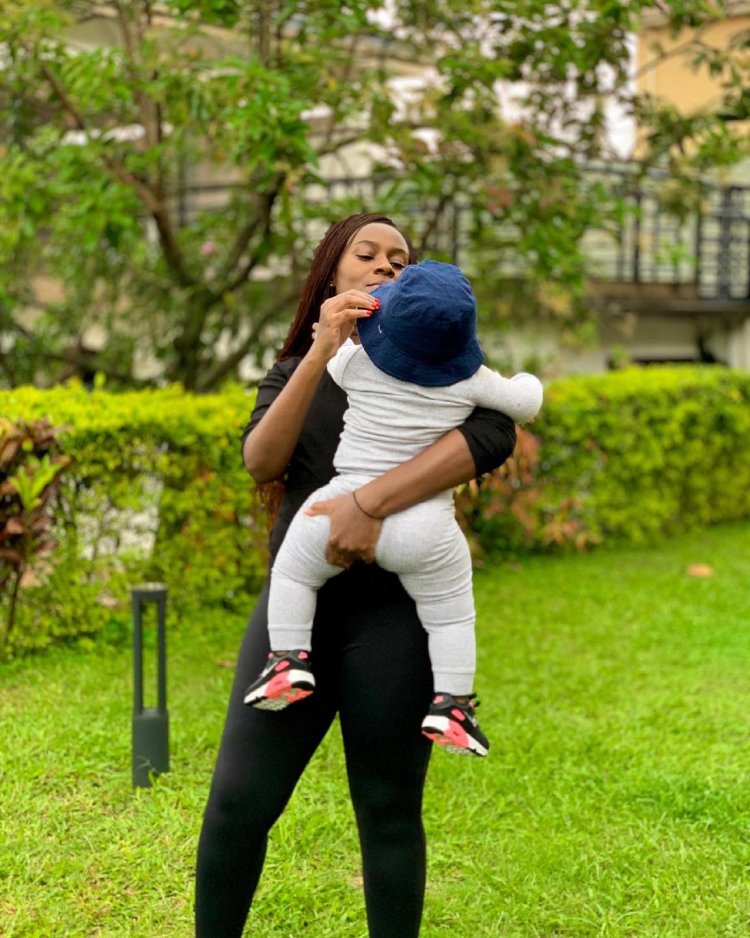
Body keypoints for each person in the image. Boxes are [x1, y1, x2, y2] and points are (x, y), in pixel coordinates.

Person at [195, 213, 518, 938]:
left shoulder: (439, 367)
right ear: (331, 276)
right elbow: (261, 460)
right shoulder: (301, 370)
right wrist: (321, 351)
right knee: (238, 803)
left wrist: (369, 505)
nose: (384, 266)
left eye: (399, 260)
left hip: (396, 621)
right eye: (365, 254)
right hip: (296, 622)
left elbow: (494, 434)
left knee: (388, 811)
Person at [243, 260, 543, 758]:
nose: (384, 267)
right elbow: (525, 404)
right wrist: (528, 381)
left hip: (336, 507)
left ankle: (288, 660)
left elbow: (332, 356)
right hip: (425, 527)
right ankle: (453, 705)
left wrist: (334, 333)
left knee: (292, 572)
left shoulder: (357, 364)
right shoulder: (475, 381)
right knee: (451, 615)